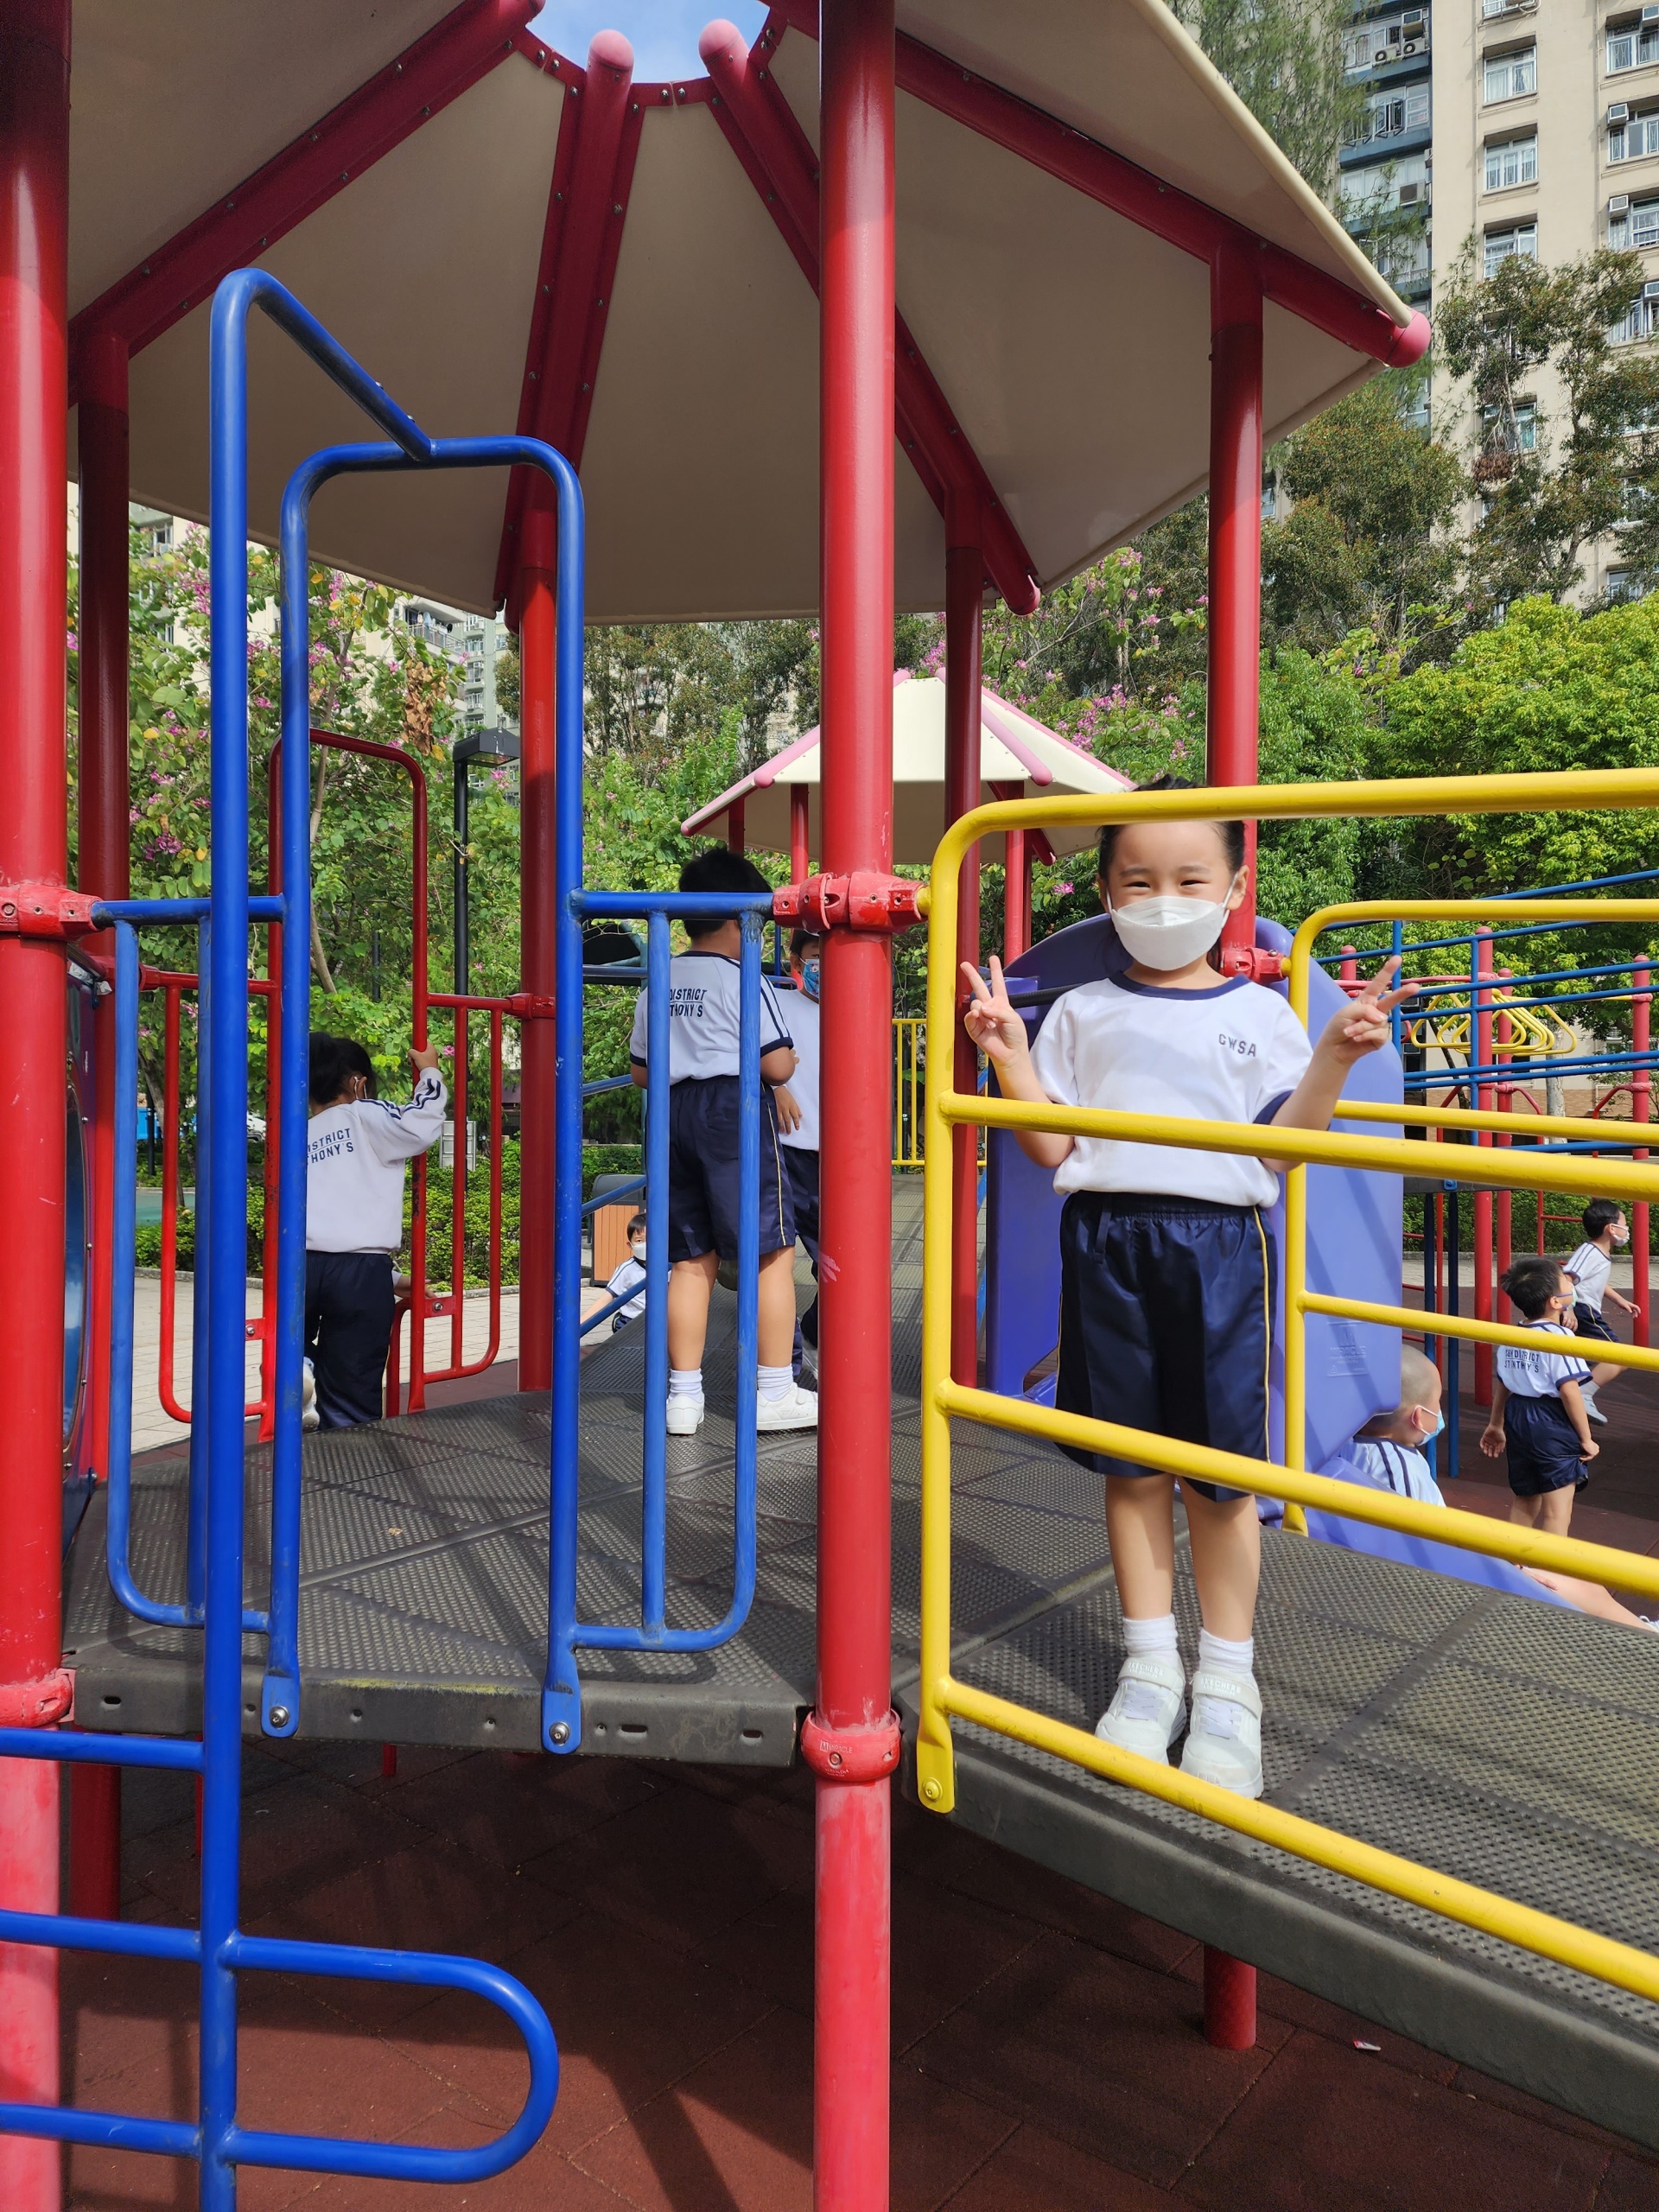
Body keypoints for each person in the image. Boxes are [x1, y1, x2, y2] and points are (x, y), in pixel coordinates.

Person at [962, 797, 1414, 1798]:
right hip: (1108, 1239)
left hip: (1217, 1247)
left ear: (1234, 891)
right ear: (1106, 891)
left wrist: (1335, 1057)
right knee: (1131, 1469)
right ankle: (1149, 1665)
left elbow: (1282, 1147)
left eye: (1189, 880)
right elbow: (1051, 1144)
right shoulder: (1083, 1012)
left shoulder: (1258, 1013)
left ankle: (1228, 1684)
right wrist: (1010, 1055)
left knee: (1219, 1478)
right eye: (1138, 882)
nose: (1164, 900)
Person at [628, 848, 817, 1436]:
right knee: (770, 1251)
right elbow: (778, 1065)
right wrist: (783, 1065)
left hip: (672, 1114)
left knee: (690, 1261)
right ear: (741, 920)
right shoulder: (742, 978)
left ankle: (682, 1398)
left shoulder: (659, 978)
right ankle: (775, 1389)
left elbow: (641, 1071)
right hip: (732, 1111)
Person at [306, 1032, 446, 1428]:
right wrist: (430, 1072)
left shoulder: (298, 1133)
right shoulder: (365, 1114)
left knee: (290, 1338)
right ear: (358, 1083)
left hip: (298, 1264)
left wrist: (392, 1279)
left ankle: (300, 1365)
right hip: (360, 1270)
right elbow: (420, 1125)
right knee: (352, 1379)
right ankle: (347, 1445)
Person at [1478, 1253, 1598, 1533]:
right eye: (1565, 1281)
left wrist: (1496, 1423)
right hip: (1550, 1419)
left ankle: (1514, 1556)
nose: (1570, 1283)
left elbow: (1505, 1384)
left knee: (1525, 1498)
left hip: (1517, 1415)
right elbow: (1569, 1391)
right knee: (1557, 1511)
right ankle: (1550, 1561)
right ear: (1555, 1302)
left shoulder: (1512, 1335)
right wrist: (1586, 1438)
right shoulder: (1560, 1337)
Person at [773, 927, 822, 1382]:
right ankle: (783, 1366)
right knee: (777, 1258)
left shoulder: (863, 1007)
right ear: (797, 962)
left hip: (839, 1157)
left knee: (840, 1262)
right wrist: (776, 1086)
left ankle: (814, 1332)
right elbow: (746, 1053)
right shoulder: (778, 1004)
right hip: (787, 1150)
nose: (826, 963)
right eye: (816, 953)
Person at [1340, 1343, 1446, 1504]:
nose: (1439, 1410)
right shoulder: (1396, 1473)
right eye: (1438, 1400)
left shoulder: (1342, 1443)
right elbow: (1407, 1520)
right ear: (1417, 1417)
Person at [1564, 1198, 1638, 1426]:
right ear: (1611, 1228)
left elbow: (1597, 1281)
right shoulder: (1590, 1251)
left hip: (1584, 1309)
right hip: (1583, 1309)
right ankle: (1582, 1393)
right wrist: (1569, 1308)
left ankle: (1569, 1394)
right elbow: (1567, 1278)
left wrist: (1619, 1300)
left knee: (1580, 1360)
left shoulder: (1599, 1253)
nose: (1627, 1230)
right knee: (1620, 1355)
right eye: (1624, 1224)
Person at [606, 1212, 649, 1332]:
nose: (646, 1245)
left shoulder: (670, 1267)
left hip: (659, 1321)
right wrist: (581, 1323)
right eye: (639, 1240)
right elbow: (607, 1297)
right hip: (630, 1321)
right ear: (630, 1245)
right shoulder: (627, 1269)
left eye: (652, 1239)